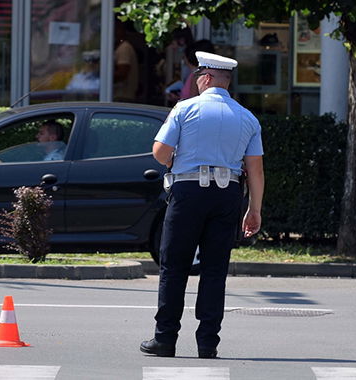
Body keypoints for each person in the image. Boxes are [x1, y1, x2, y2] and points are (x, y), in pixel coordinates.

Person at [140, 52, 264, 359]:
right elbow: (256, 170)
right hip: (227, 195)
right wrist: (254, 209)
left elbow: (159, 151)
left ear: (206, 78)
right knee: (214, 271)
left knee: (174, 266)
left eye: (197, 77)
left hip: (188, 192)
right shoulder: (247, 117)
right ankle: (208, 343)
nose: (195, 82)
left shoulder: (185, 109)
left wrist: (175, 159)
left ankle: (165, 338)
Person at [113, 21, 139, 102]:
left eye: (116, 29)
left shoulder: (124, 48)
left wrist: (100, 77)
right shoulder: (121, 47)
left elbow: (122, 73)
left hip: (122, 97)